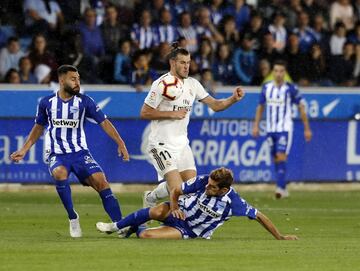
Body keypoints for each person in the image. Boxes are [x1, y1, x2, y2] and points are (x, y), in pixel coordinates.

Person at [10, 65, 129, 238]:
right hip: (56, 153)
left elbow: (104, 122)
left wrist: (120, 143)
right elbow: (38, 128)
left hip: (80, 153)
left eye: (78, 79)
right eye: (73, 79)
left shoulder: (84, 101)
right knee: (59, 173)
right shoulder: (47, 103)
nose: (77, 82)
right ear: (62, 80)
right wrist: (24, 149)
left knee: (101, 182)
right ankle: (73, 218)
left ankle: (121, 225)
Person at [140, 43, 245, 208]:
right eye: (182, 62)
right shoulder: (161, 84)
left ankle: (151, 197)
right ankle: (148, 221)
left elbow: (216, 105)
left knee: (190, 190)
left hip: (182, 145)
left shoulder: (193, 84)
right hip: (161, 145)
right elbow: (144, 113)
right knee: (176, 192)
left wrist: (233, 99)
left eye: (188, 62)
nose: (186, 66)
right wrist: (172, 114)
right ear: (173, 63)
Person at [96, 167, 298, 240]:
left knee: (147, 235)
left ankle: (136, 226)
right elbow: (176, 191)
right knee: (158, 209)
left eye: (213, 187)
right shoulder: (203, 180)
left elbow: (260, 216)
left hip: (190, 230)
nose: (208, 187)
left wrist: (280, 237)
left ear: (224, 189)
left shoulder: (233, 202)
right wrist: (174, 208)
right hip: (179, 213)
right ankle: (114, 226)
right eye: (208, 183)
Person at [252, 60, 312, 198]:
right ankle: (283, 187)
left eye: (281, 71)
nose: (278, 74)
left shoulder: (291, 89)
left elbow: (301, 107)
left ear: (285, 73)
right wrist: (255, 125)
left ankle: (279, 188)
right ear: (273, 72)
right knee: (275, 158)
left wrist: (307, 128)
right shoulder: (266, 88)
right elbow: (260, 107)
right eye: (276, 71)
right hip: (270, 129)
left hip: (285, 128)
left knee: (281, 156)